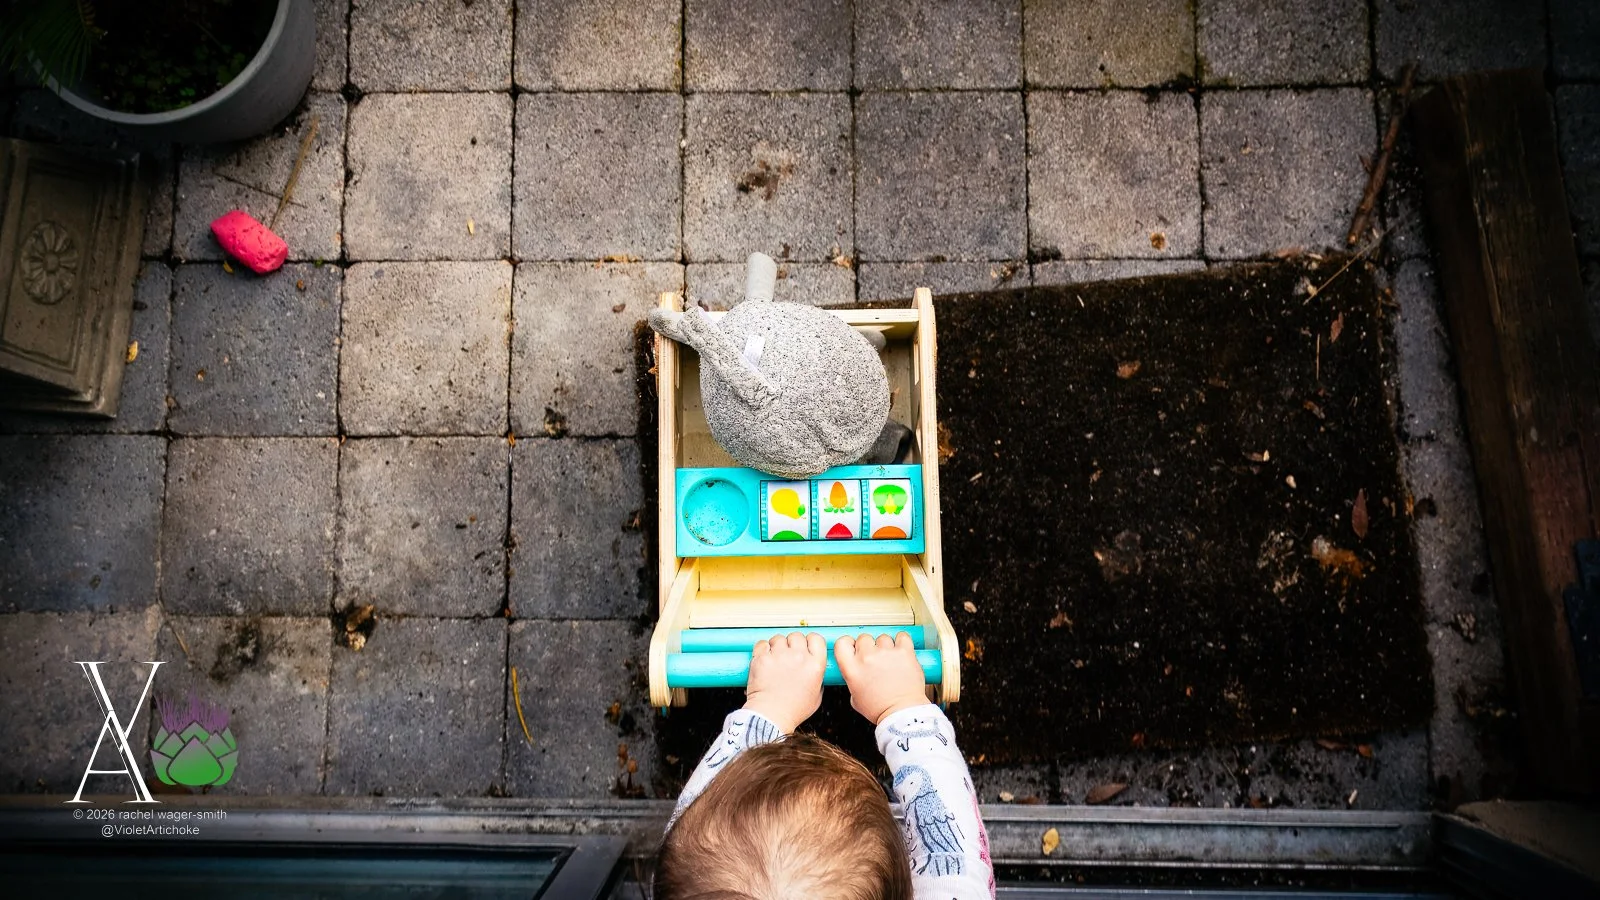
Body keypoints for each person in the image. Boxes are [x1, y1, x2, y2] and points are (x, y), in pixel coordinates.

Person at [655, 632, 994, 899]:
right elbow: (956, 856)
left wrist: (770, 705)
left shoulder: (681, 883)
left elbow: (690, 824)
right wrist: (901, 705)